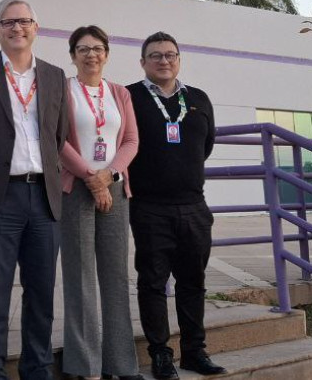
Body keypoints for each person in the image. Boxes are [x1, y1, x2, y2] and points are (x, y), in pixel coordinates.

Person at [0, 0, 70, 380]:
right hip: (0, 196)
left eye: (24, 21)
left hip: (43, 196)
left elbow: (59, 134)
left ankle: (37, 368)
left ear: (35, 28)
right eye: (8, 22)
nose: (17, 28)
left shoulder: (55, 75)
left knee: (41, 292)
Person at [126, 32, 225, 379]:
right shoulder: (129, 97)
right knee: (153, 283)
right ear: (143, 62)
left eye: (170, 54)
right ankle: (160, 354)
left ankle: (194, 352)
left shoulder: (199, 99)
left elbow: (205, 146)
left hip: (194, 206)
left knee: (193, 282)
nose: (163, 60)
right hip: (149, 207)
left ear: (179, 59)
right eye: (155, 55)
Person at [58, 26, 142, 380]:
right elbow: (56, 138)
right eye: (83, 48)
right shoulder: (62, 89)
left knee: (116, 277)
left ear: (106, 54)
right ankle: (86, 366)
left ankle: (121, 364)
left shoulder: (120, 93)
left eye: (97, 48)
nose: (91, 54)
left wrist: (108, 176)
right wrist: (91, 178)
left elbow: (131, 140)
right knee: (80, 279)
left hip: (115, 189)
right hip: (75, 189)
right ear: (72, 55)